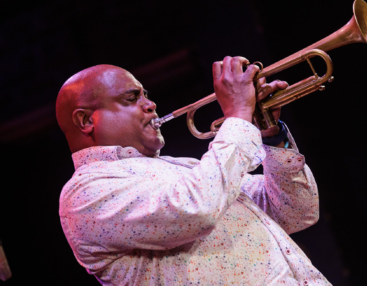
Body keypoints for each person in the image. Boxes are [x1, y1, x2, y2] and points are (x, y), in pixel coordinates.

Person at [57, 57, 331, 285]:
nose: (150, 105)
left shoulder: (184, 167)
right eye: (131, 98)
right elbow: (197, 210)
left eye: (146, 95)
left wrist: (268, 133)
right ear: (85, 121)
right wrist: (238, 116)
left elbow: (295, 212)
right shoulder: (84, 194)